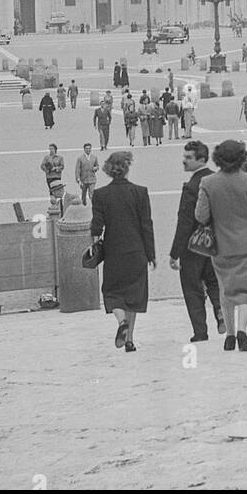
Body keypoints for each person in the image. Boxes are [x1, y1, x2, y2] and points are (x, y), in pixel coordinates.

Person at [195, 139, 247, 351]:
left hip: (221, 246)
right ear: (242, 158)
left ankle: (230, 335)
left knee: (226, 290)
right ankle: (242, 330)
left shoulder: (208, 182)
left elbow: (200, 215)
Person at [90, 149, 156, 352]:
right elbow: (146, 225)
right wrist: (151, 254)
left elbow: (97, 227)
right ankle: (130, 340)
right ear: (127, 169)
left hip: (114, 251)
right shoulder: (140, 192)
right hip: (136, 251)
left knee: (112, 292)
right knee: (134, 296)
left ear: (108, 170)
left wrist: (93, 243)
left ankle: (121, 324)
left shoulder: (100, 195)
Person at [170, 140, 224, 342]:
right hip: (216, 243)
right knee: (214, 282)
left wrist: (175, 252)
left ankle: (200, 332)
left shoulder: (192, 186)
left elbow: (184, 221)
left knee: (192, 289)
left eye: (188, 158)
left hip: (193, 246)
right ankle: (220, 312)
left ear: (200, 159)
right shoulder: (217, 179)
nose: (184, 161)